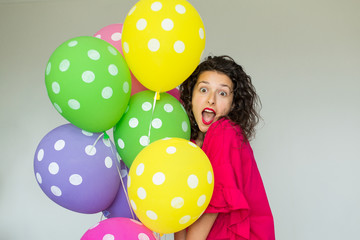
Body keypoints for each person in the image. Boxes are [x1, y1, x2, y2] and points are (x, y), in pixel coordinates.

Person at [175, 55, 275, 240]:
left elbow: (216, 201)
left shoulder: (224, 131)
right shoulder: (188, 144)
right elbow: (181, 209)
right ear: (191, 96)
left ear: (233, 104)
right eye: (203, 89)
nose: (211, 100)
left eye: (222, 93)